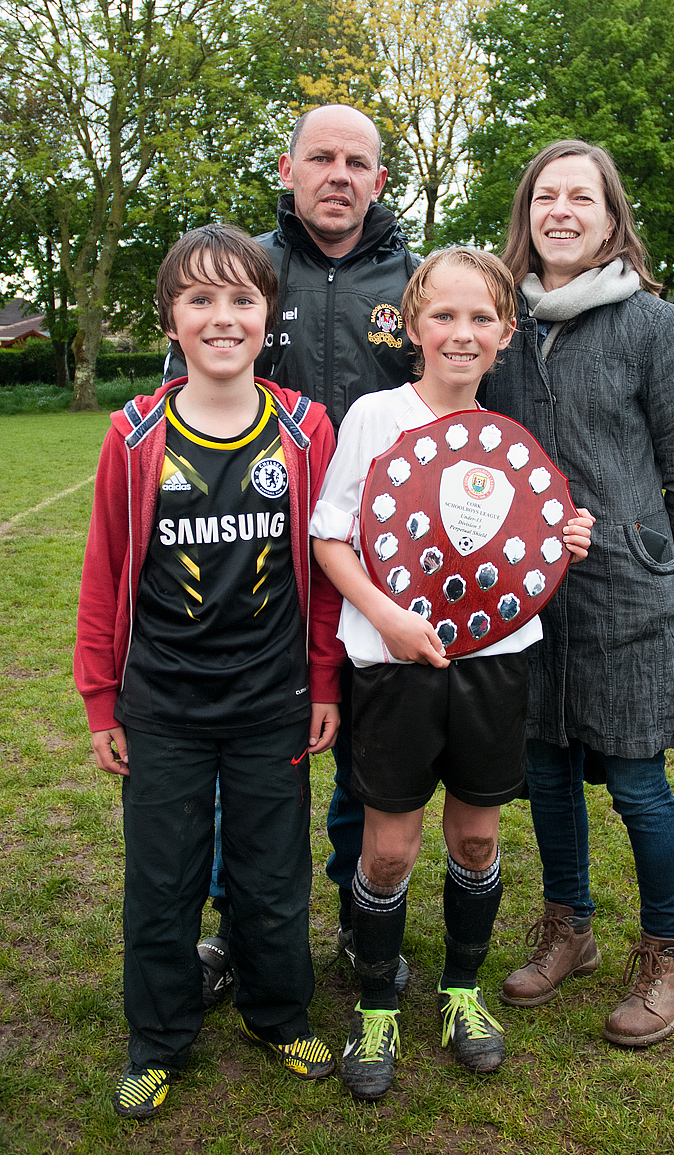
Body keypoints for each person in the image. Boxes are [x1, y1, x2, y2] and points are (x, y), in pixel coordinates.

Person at [310, 247, 595, 1099]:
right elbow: (331, 538)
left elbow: (521, 545)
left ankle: (463, 992)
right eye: (444, 316)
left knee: (476, 837)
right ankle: (375, 1004)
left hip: (495, 667)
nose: (461, 334)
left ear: (506, 333)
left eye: (480, 319)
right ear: (411, 327)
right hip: (393, 671)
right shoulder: (373, 416)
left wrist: (563, 541)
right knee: (388, 850)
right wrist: (388, 617)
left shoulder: (512, 436)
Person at [74, 224, 344, 1119]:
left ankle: (279, 1011)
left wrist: (326, 681)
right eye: (200, 299)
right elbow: (106, 567)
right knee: (163, 881)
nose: (222, 316)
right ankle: (157, 1036)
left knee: (273, 878)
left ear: (268, 316)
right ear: (172, 318)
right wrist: (102, 697)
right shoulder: (136, 432)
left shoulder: (307, 430)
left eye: (241, 298)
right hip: (165, 706)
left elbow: (328, 569)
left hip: (273, 703)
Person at [166, 106, 419, 995]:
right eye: (322, 158)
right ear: (290, 168)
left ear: (378, 180)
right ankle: (235, 928)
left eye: (357, 161)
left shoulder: (414, 280)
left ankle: (360, 913)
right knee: (254, 754)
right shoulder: (247, 272)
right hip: (255, 565)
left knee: (363, 752)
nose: (339, 174)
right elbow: (178, 416)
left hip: (375, 569)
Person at [482, 140, 674, 1047]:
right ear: (528, 214)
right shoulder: (505, 325)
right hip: (528, 595)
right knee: (545, 772)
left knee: (636, 784)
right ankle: (568, 928)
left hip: (630, 596)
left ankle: (672, 956)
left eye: (582, 196)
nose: (562, 210)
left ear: (611, 215)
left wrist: (671, 587)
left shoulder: (650, 325)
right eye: (547, 195)